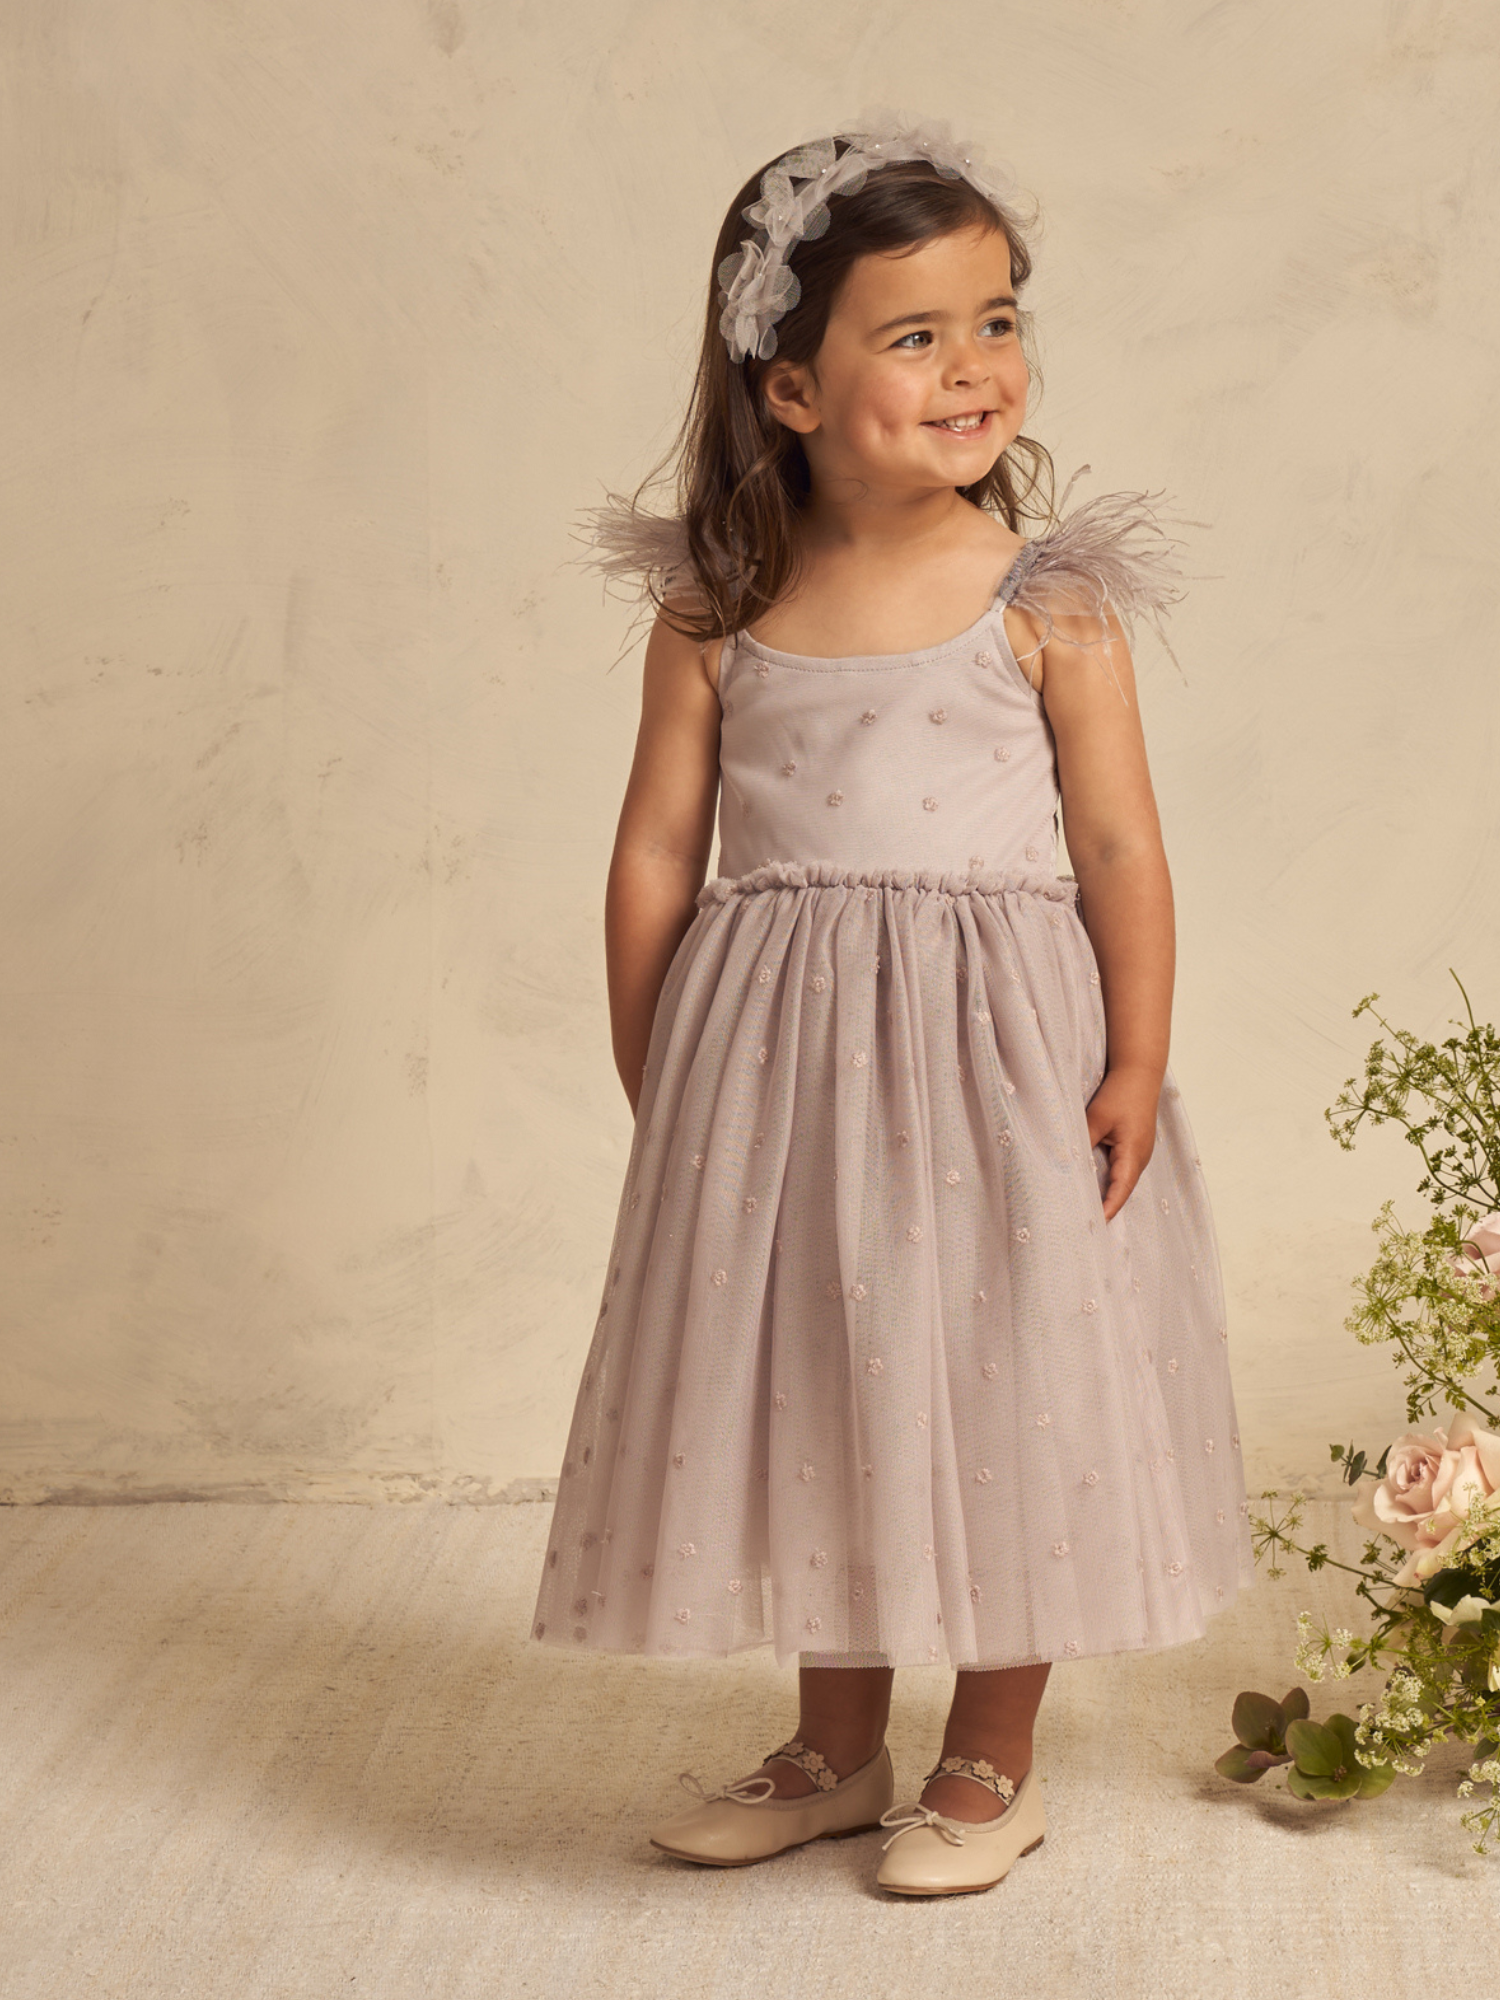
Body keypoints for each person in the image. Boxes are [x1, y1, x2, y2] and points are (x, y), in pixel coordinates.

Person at [531, 117, 1254, 1897]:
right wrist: (657, 1057)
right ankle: (833, 1747)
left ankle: (989, 1754)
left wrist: (1139, 1054)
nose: (974, 368)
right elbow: (653, 852)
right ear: (788, 387)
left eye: (998, 321)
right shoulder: (719, 607)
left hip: (1002, 1061)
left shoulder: (1046, 600)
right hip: (779, 1072)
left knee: (1006, 1377)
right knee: (822, 1385)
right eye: (916, 334)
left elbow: (1119, 844)